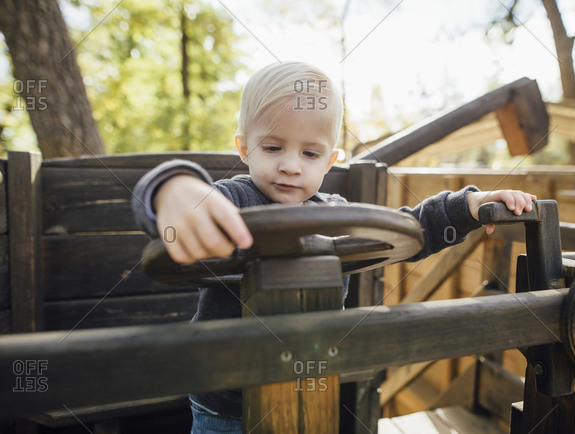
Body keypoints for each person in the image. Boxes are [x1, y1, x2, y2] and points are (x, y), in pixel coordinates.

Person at [132, 61, 536, 433]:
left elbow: (410, 231)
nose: (291, 165)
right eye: (272, 148)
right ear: (243, 148)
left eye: (310, 153)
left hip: (314, 386)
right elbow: (184, 204)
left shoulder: (337, 216)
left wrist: (468, 206)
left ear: (330, 161)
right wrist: (174, 186)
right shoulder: (232, 201)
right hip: (226, 401)